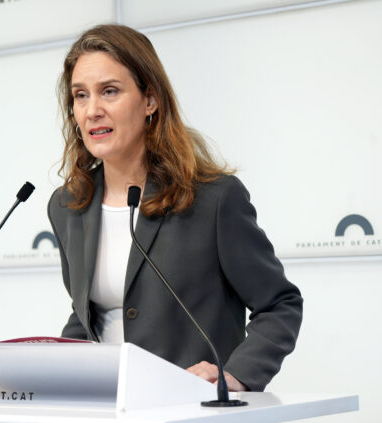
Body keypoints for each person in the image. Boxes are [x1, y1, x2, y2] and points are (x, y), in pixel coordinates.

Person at [47, 24, 302, 392]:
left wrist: (236, 376)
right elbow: (88, 316)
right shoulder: (68, 206)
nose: (92, 110)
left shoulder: (213, 200)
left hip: (190, 406)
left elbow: (280, 303)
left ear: (150, 100)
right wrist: (49, 369)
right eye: (80, 95)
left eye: (110, 91)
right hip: (106, 405)